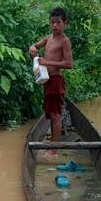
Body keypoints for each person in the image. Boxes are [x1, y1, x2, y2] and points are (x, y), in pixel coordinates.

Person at [29, 8, 74, 147]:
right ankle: (53, 145)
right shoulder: (48, 38)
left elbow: (69, 64)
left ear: (65, 23)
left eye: (58, 22)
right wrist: (32, 48)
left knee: (56, 115)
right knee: (51, 113)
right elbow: (35, 46)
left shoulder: (65, 41)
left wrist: (47, 62)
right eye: (52, 22)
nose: (55, 25)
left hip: (56, 80)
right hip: (46, 79)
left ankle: (53, 150)